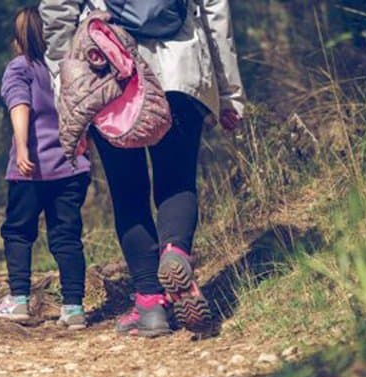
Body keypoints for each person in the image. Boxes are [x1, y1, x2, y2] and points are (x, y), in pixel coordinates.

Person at [40, 0, 245, 337]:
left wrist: (67, 97)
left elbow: (56, 14)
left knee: (128, 192)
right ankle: (175, 250)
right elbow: (216, 12)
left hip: (108, 72)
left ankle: (150, 304)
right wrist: (228, 93)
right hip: (182, 71)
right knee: (177, 181)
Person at [0, 5, 92, 330]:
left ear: (18, 38)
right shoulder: (68, 68)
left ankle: (19, 301)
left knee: (18, 232)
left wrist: (22, 148)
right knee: (66, 237)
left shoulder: (19, 68)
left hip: (29, 169)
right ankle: (73, 307)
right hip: (71, 167)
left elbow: (20, 104)